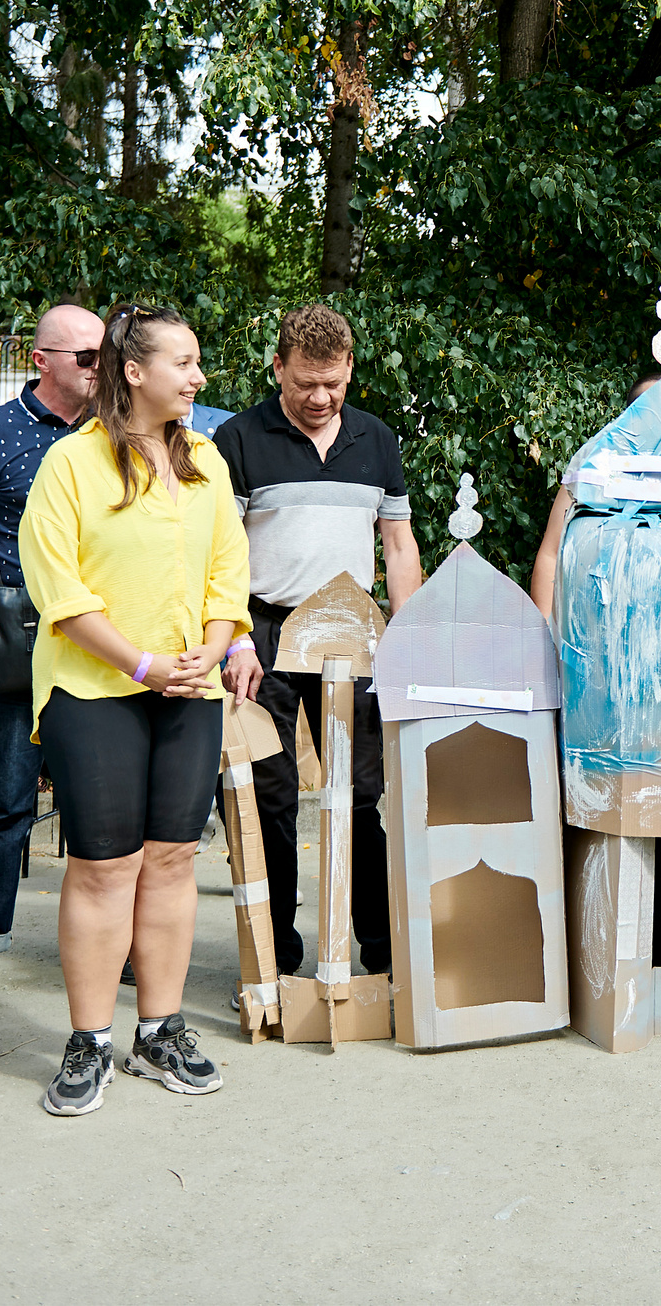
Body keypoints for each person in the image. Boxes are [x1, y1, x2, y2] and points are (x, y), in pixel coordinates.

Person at [18, 304, 250, 1117]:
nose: (199, 376)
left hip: (189, 687)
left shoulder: (209, 462)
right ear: (133, 371)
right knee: (104, 866)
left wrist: (208, 651)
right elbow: (59, 592)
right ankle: (90, 1040)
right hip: (96, 690)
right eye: (184, 362)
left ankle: (160, 1028)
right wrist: (144, 664)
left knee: (175, 860)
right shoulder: (70, 466)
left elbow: (229, 572)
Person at [216, 305, 422, 981]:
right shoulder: (240, 439)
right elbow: (220, 552)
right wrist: (235, 638)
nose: (320, 396)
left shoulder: (378, 439)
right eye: (305, 381)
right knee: (267, 796)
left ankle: (380, 947)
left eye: (332, 382)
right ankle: (276, 949)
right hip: (264, 635)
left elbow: (397, 543)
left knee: (362, 795)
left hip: (352, 633)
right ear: (278, 367)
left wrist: (406, 635)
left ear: (350, 369)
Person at [0, 302, 109, 1019]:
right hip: (22, 636)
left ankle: (117, 944)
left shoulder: (120, 435)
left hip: (106, 644)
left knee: (104, 801)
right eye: (87, 358)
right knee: (3, 799)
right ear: (41, 360)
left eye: (106, 354)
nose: (102, 369)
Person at [528, 374, 661, 621]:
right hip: (595, 620)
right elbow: (552, 552)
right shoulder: (596, 468)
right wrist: (543, 630)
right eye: (650, 407)